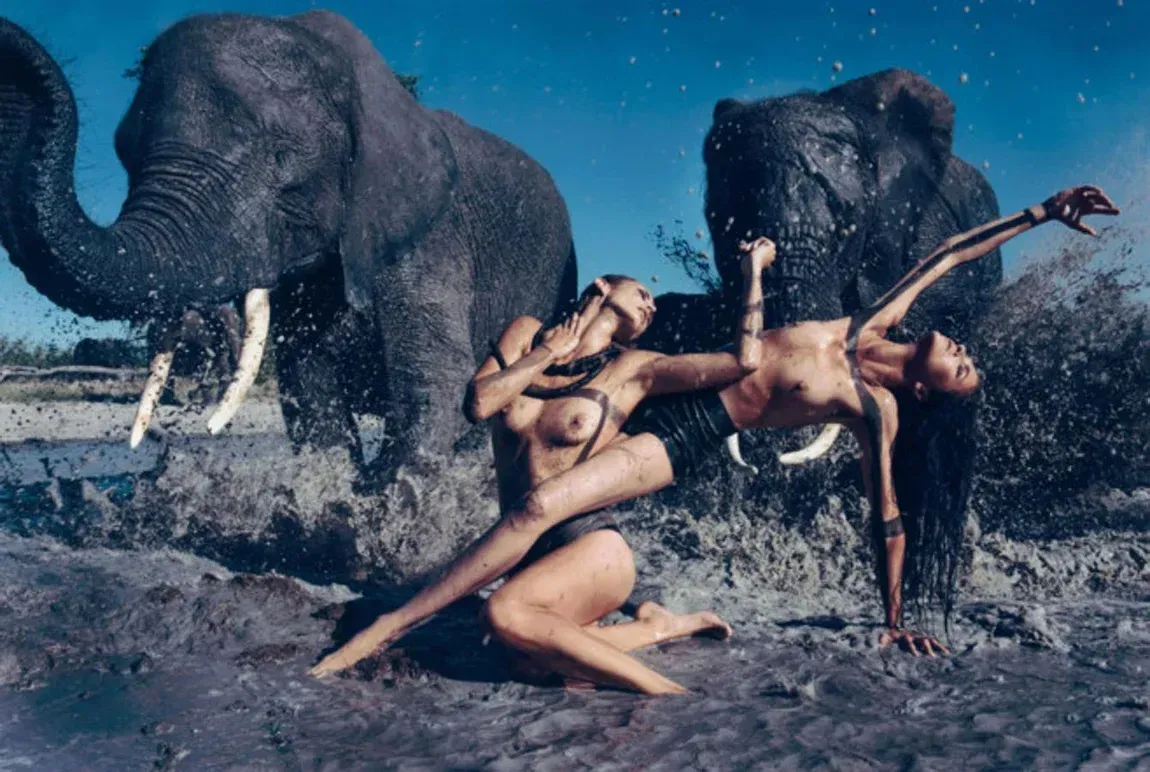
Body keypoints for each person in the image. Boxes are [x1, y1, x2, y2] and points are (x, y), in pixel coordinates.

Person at [311, 185, 1118, 693]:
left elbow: (888, 515)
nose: (963, 353)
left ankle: (396, 622)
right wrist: (1042, 213)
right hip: (672, 372)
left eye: (964, 370)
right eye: (968, 355)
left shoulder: (877, 410)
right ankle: (644, 619)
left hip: (692, 430)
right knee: (536, 501)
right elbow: (948, 254)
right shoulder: (873, 322)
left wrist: (897, 613)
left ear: (924, 391)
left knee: (540, 507)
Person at [311, 239, 776, 694]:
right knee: (527, 660)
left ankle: (666, 692)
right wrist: (547, 353)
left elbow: (743, 362)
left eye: (653, 302)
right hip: (522, 545)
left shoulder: (635, 369)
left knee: (503, 616)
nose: (651, 305)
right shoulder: (526, 334)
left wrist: (752, 273)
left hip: (589, 542)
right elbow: (480, 402)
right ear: (602, 287)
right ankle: (661, 625)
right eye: (642, 292)